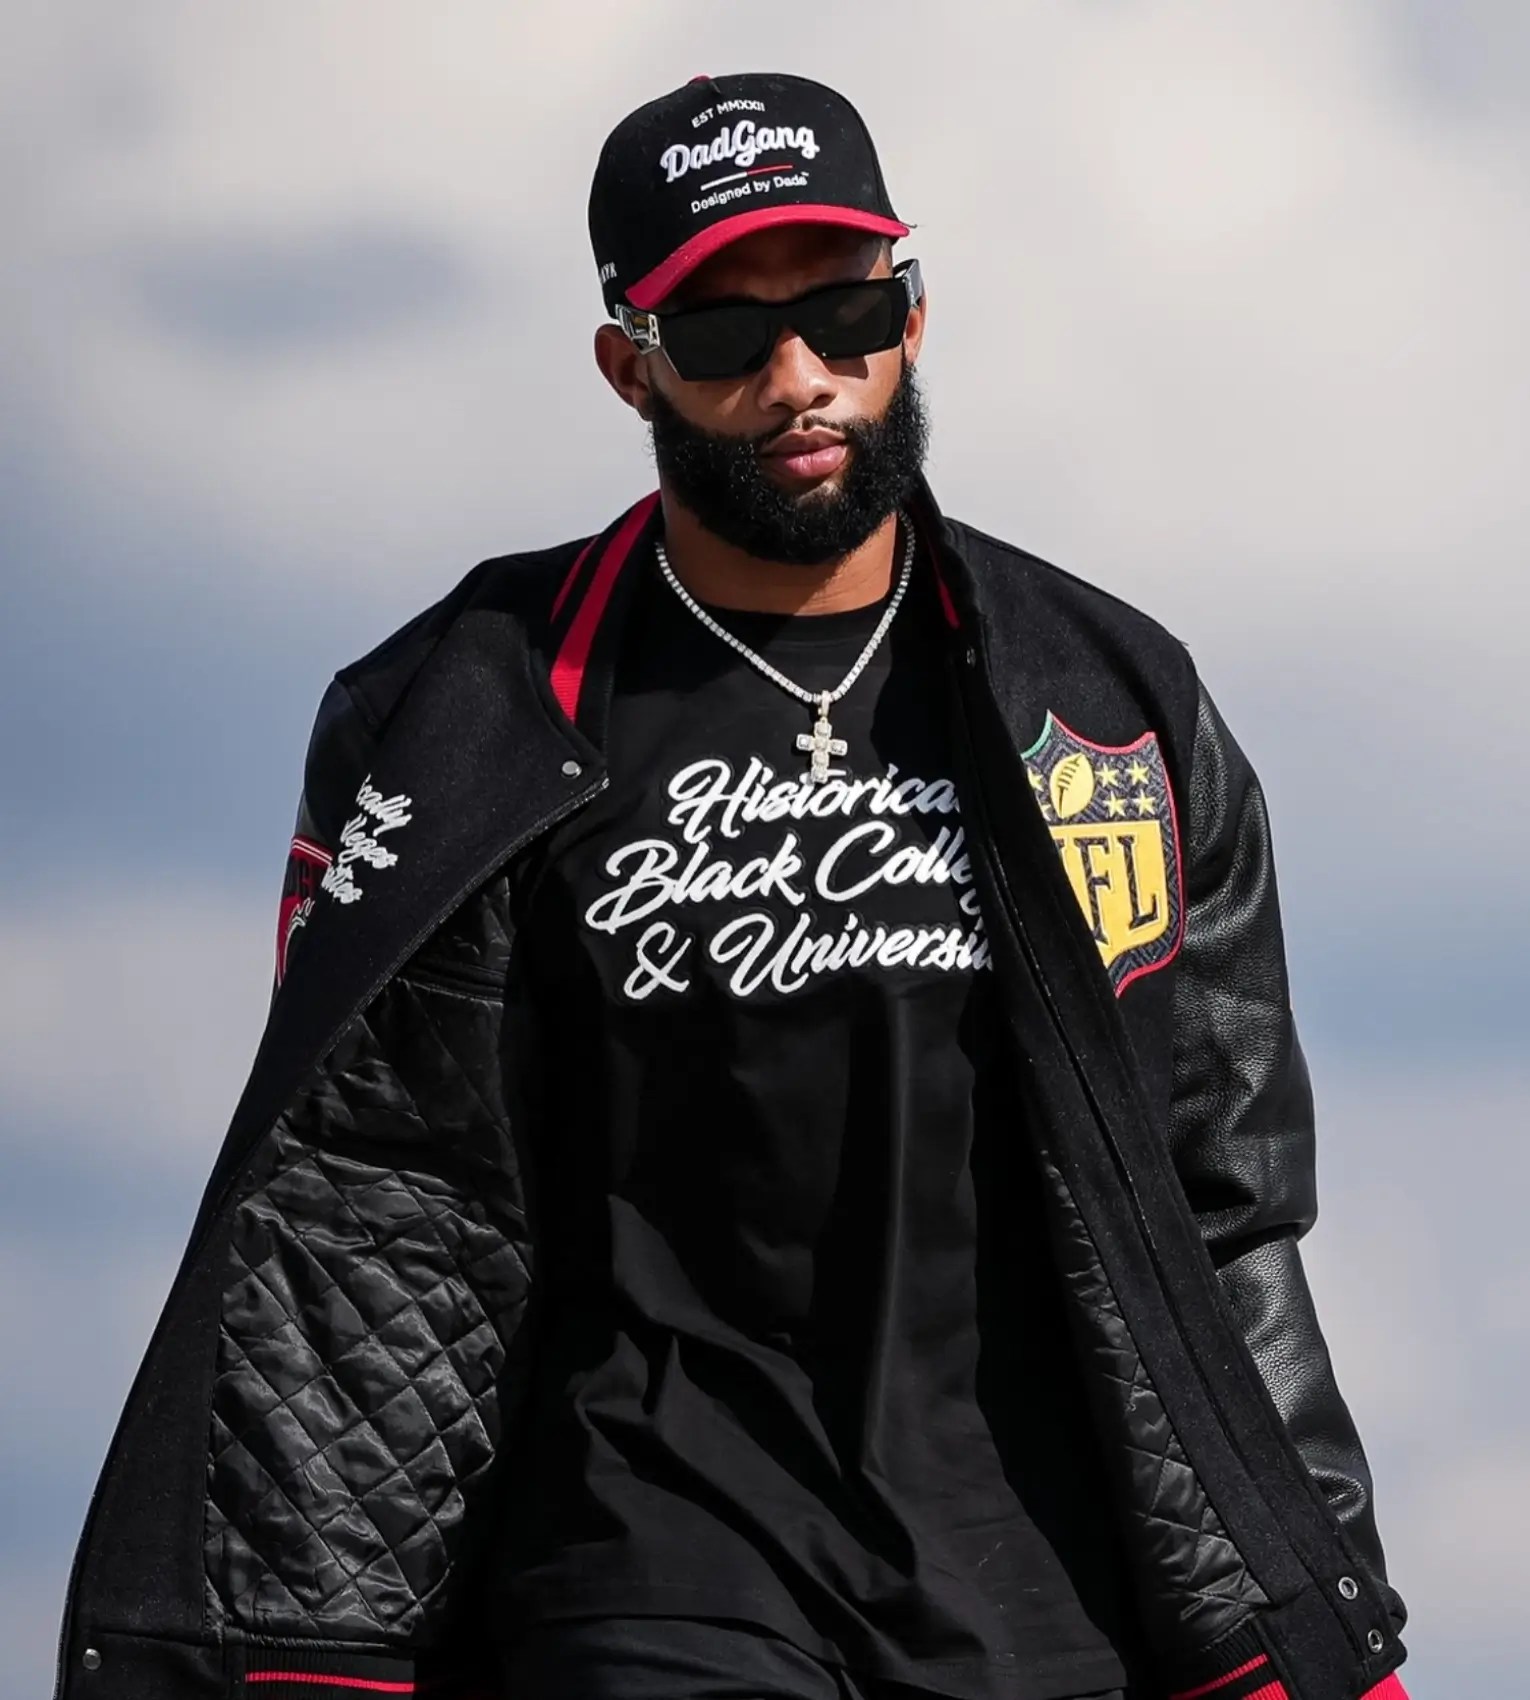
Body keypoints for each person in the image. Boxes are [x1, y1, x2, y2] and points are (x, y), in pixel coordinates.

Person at [53, 71, 1410, 1700]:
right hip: (638, 1570)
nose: (797, 379)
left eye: (844, 314)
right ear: (628, 365)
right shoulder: (461, 715)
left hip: (1041, 1596)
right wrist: (313, 1656)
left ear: (912, 318)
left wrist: (1313, 1614)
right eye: (721, 335)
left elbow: (1224, 1207)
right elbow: (373, 1208)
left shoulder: (1103, 701)